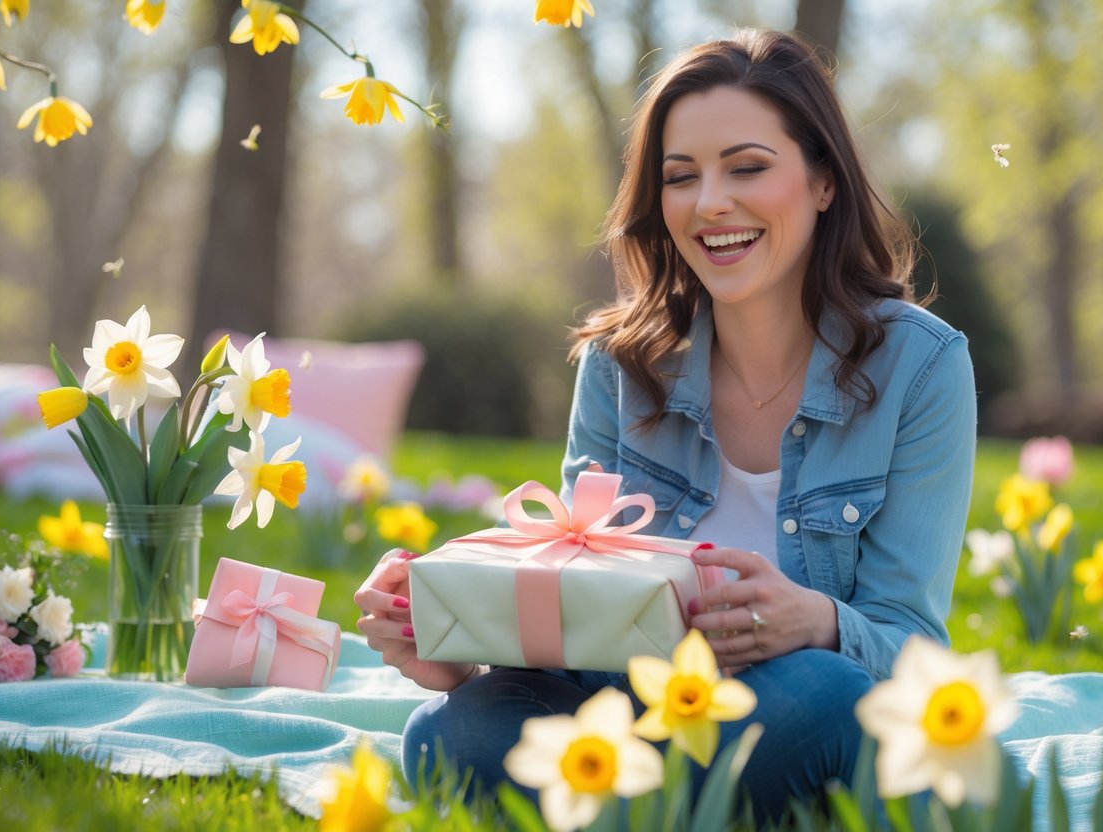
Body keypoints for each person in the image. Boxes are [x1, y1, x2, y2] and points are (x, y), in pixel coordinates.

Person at [354, 28, 976, 822]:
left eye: (747, 167)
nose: (710, 202)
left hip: (788, 698)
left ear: (822, 181)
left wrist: (813, 620)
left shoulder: (919, 367)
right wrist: (456, 640)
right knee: (449, 733)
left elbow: (912, 651)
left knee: (832, 695)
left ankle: (616, 802)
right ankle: (676, 801)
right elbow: (577, 598)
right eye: (680, 177)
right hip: (623, 703)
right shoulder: (622, 362)